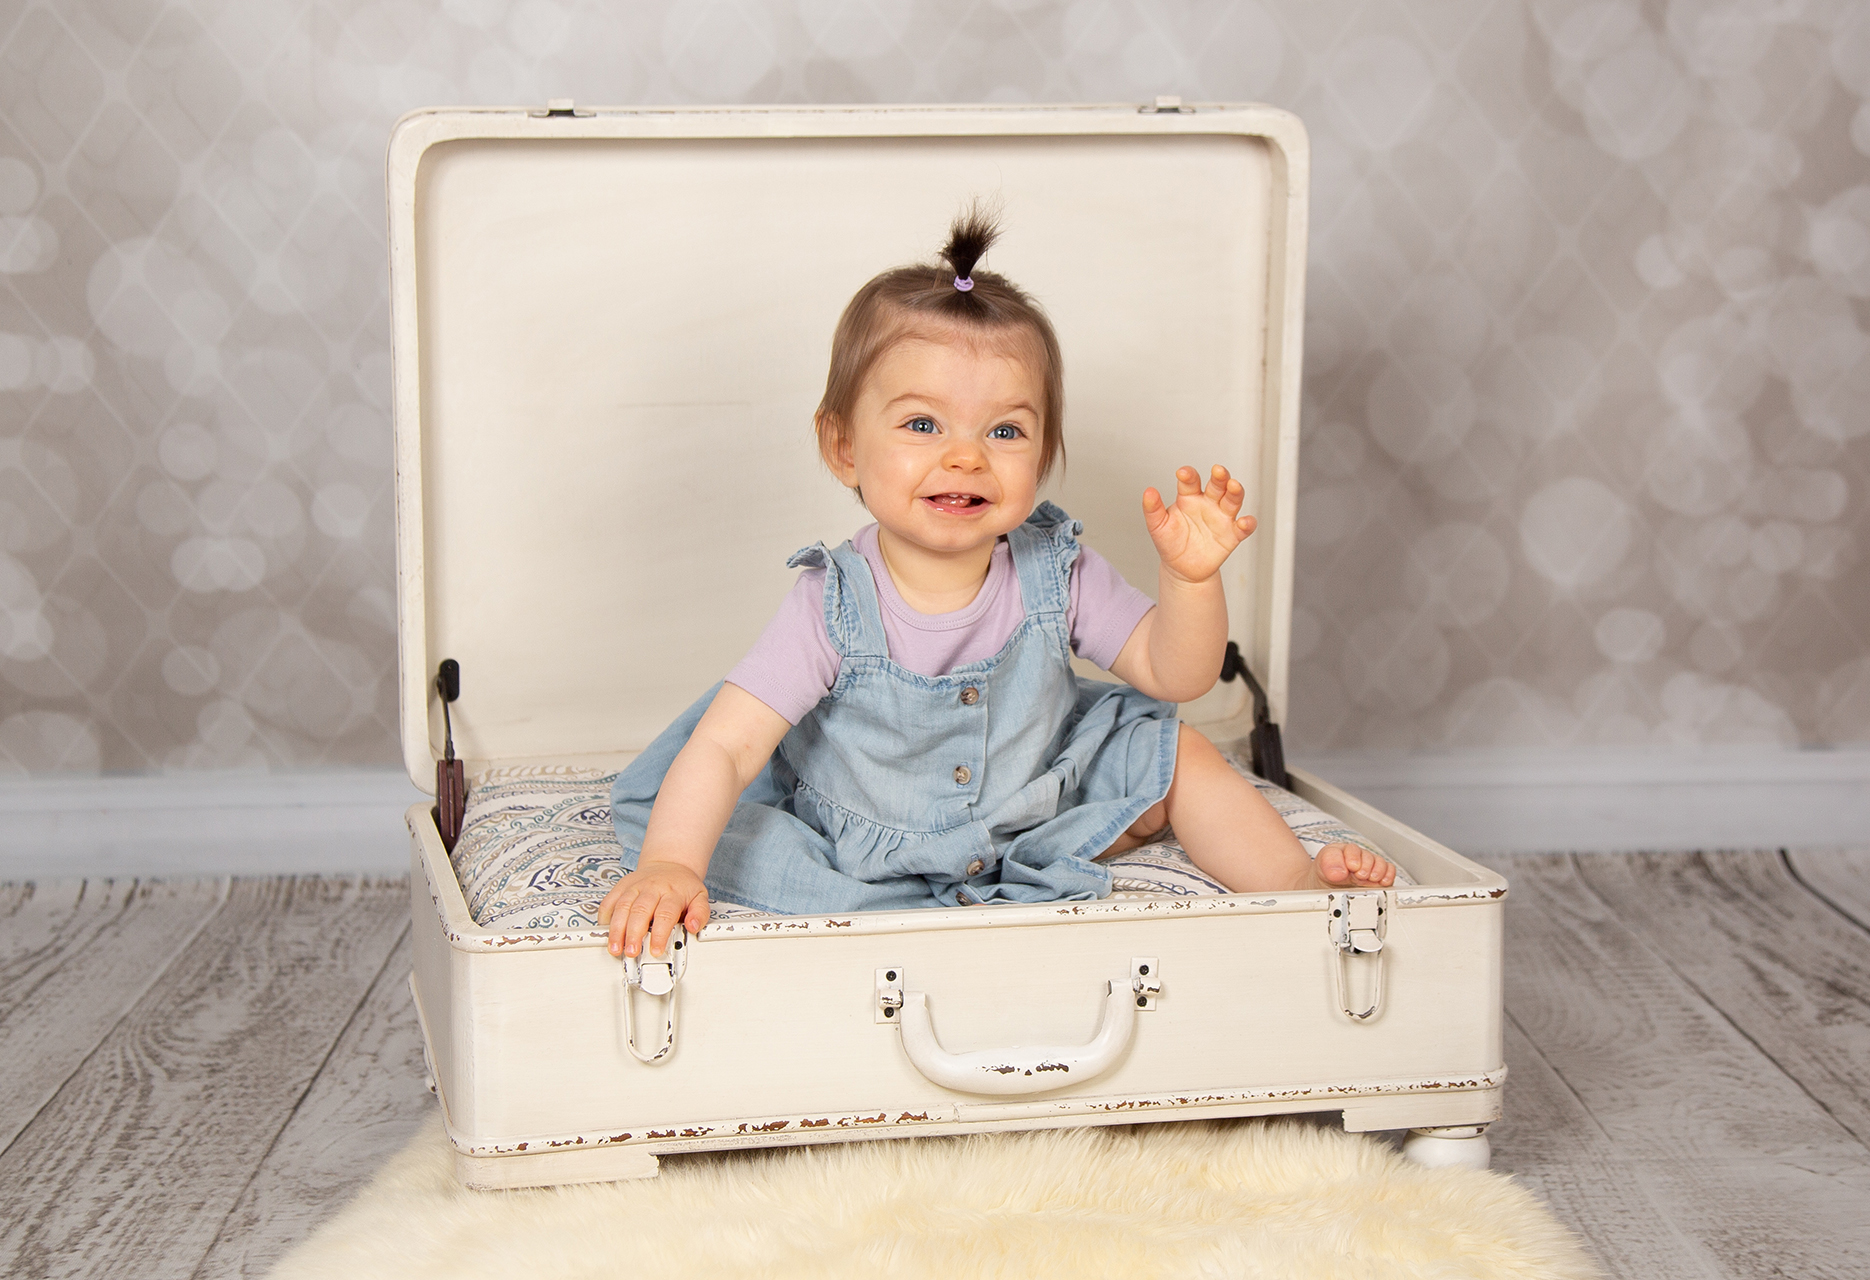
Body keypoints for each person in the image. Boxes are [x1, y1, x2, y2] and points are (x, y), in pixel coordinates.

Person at [600, 209, 1393, 961]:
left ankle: (1294, 882)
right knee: (731, 829)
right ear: (843, 448)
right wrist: (670, 865)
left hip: (1031, 803)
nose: (967, 456)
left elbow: (1174, 673)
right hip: (875, 838)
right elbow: (727, 747)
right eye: (922, 424)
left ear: (1041, 456)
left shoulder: (1055, 567)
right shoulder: (831, 602)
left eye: (1005, 430)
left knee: (1174, 750)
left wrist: (1191, 581)